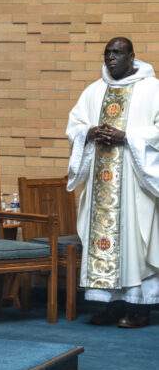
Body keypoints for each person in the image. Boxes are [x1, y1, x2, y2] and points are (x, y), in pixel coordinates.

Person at [67, 37, 159, 328]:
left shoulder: (152, 89)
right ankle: (110, 303)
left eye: (117, 53)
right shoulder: (94, 91)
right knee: (104, 240)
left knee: (135, 239)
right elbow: (74, 125)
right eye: (107, 53)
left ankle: (139, 307)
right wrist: (90, 133)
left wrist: (127, 137)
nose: (110, 58)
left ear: (132, 56)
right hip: (101, 181)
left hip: (134, 181)